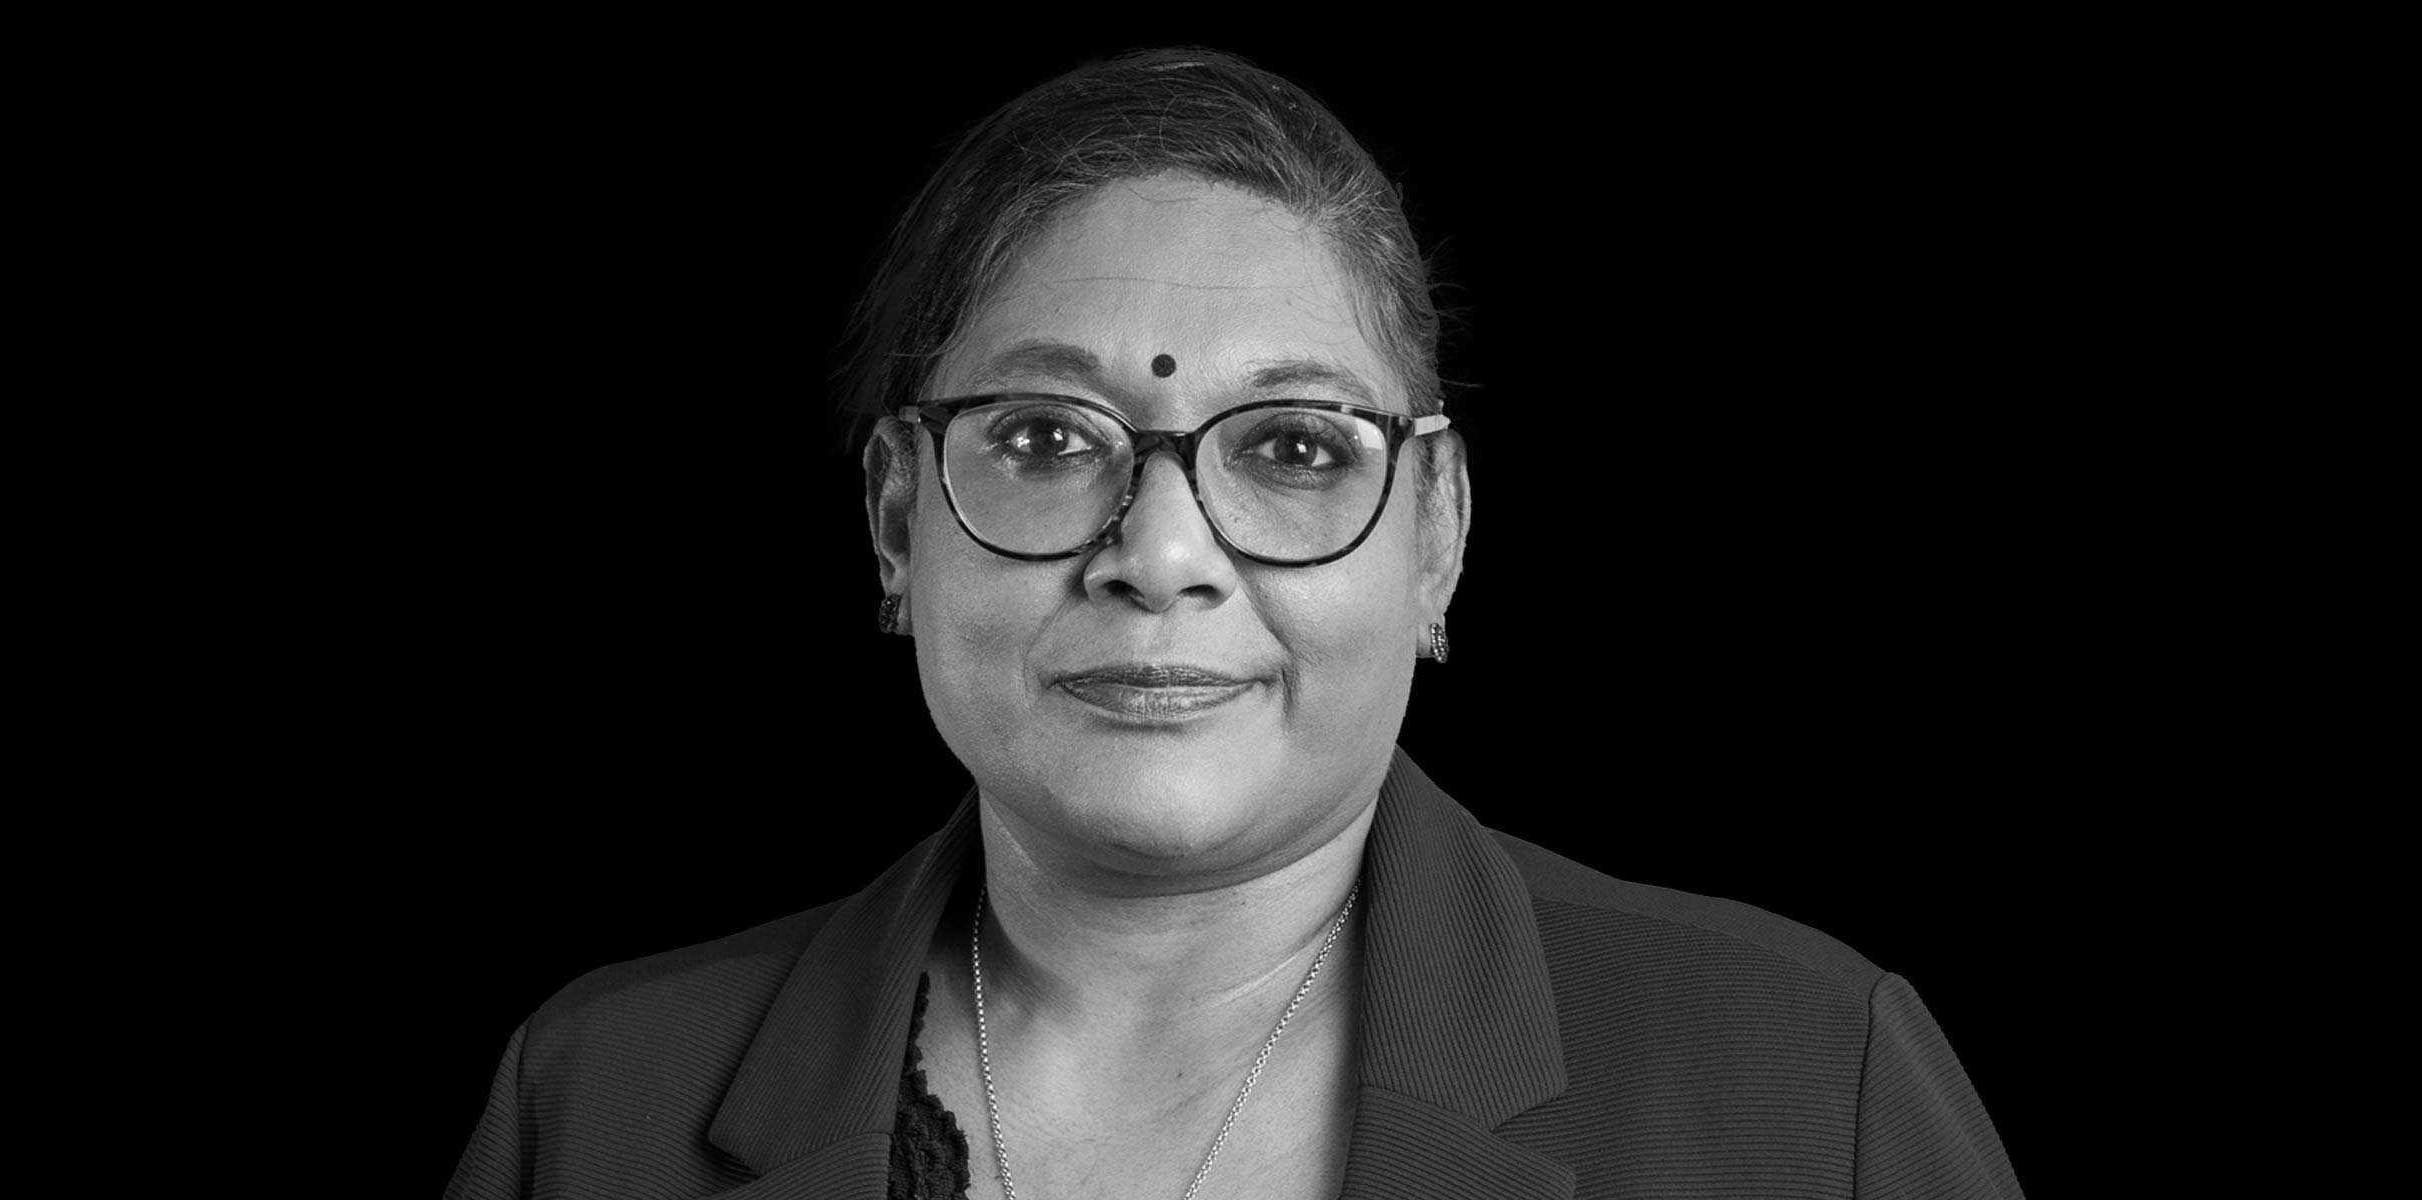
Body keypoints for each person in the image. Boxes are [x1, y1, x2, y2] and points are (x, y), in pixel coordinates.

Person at [445, 46, 2023, 1200]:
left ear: (1438, 539)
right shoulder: (595, 1107)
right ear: (893, 521)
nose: (1160, 555)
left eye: (1293, 450)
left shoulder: (1812, 1085)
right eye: (1046, 438)